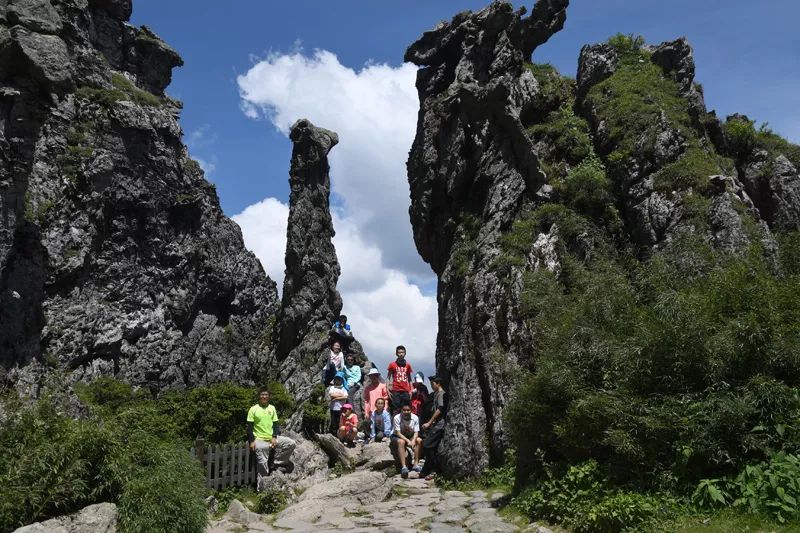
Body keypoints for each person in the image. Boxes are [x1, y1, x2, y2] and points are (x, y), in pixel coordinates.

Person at [247, 389, 297, 491]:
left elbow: (275, 424)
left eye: (266, 395)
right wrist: (251, 441)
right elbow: (250, 427)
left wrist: (274, 437)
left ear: (269, 396)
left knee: (291, 444)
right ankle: (261, 489)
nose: (264, 396)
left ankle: (277, 463)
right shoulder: (253, 409)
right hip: (259, 439)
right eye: (262, 394)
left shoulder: (272, 408)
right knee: (263, 464)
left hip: (271, 438)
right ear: (259, 396)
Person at [420, 375, 447, 480]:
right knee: (431, 448)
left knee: (427, 445)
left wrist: (429, 422)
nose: (431, 386)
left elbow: (440, 409)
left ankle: (435, 470)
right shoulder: (435, 394)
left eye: (432, 384)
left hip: (440, 425)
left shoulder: (441, 394)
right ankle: (426, 470)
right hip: (435, 425)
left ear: (438, 384)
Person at [390, 402, 423, 479]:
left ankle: (416, 464)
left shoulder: (415, 418)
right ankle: (404, 467)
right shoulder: (397, 418)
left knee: (419, 440)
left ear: (411, 410)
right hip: (398, 436)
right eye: (404, 410)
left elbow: (416, 432)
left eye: (408, 410)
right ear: (401, 410)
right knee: (402, 442)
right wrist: (408, 441)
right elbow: (398, 433)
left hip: (410, 435)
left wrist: (414, 440)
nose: (406, 412)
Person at [387, 345, 413, 415]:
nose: (401, 354)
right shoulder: (392, 364)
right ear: (396, 354)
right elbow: (388, 377)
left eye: (402, 352)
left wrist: (411, 390)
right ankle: (396, 424)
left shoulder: (408, 365)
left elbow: (409, 379)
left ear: (405, 353)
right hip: (396, 390)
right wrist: (387, 389)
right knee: (396, 408)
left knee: (406, 407)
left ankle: (405, 423)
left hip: (405, 390)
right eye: (399, 352)